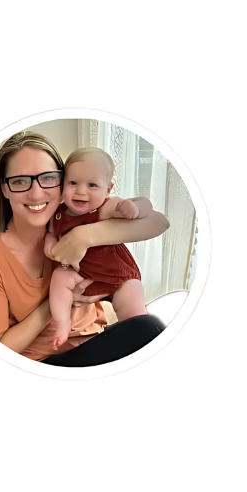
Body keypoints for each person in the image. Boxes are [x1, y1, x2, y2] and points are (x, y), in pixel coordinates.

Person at [0, 131, 170, 364]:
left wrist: (84, 236)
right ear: (4, 188)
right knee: (150, 328)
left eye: (48, 178)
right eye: (20, 181)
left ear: (61, 182)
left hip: (99, 340)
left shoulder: (74, 218)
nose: (36, 193)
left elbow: (159, 222)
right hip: (48, 362)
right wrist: (55, 305)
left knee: (166, 313)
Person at [45, 147, 156, 349]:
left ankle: (139, 343)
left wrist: (135, 207)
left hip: (119, 277)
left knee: (136, 322)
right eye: (73, 183)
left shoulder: (105, 207)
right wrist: (50, 243)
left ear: (108, 189)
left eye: (92, 185)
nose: (81, 191)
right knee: (59, 278)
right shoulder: (58, 214)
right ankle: (62, 322)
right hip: (84, 276)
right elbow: (51, 233)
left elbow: (146, 206)